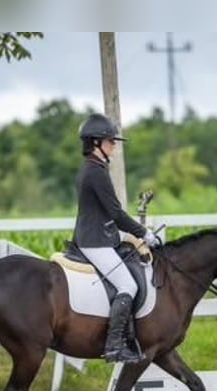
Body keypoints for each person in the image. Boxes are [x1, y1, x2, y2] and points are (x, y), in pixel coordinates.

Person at [72, 112, 161, 363]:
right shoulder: (96, 172)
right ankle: (114, 346)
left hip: (99, 236)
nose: (114, 145)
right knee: (128, 285)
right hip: (94, 241)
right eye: (111, 141)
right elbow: (116, 213)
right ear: (97, 142)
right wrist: (144, 233)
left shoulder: (93, 168)